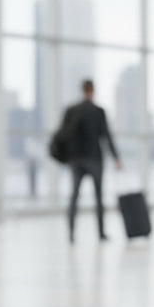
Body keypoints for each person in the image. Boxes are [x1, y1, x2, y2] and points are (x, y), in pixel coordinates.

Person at [61, 79, 122, 243]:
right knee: (98, 197)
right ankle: (101, 233)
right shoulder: (98, 111)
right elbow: (107, 136)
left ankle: (71, 233)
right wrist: (116, 158)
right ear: (93, 91)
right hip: (95, 159)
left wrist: (67, 157)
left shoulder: (72, 110)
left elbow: (64, 135)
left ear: (82, 90)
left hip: (76, 160)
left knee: (74, 196)